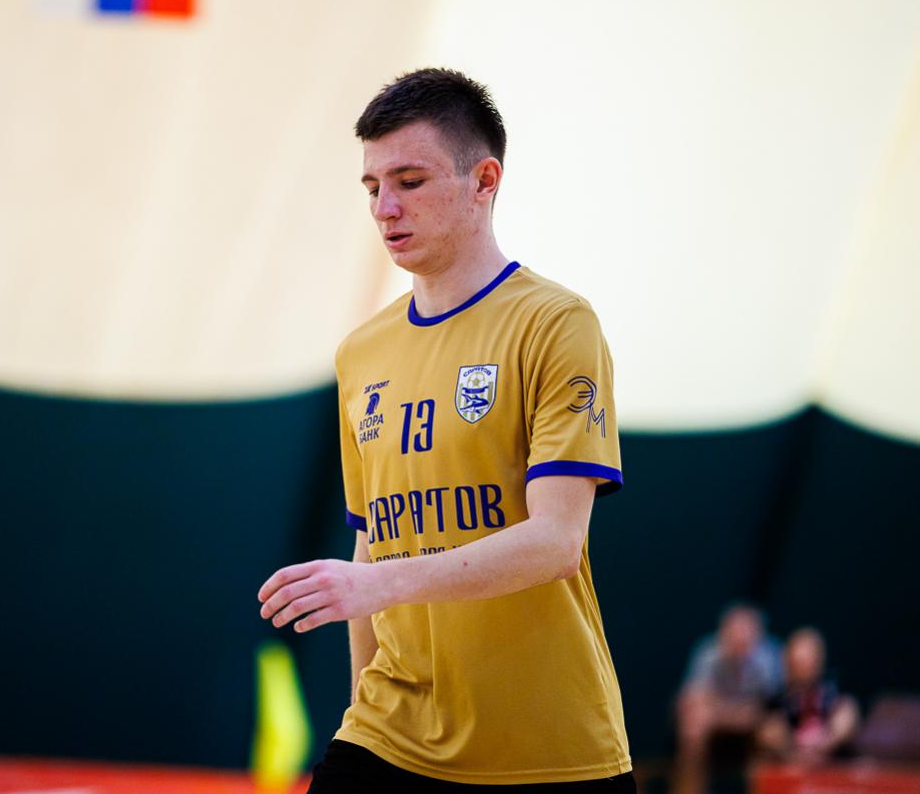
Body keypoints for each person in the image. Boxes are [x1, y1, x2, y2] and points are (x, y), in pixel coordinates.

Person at [257, 68, 633, 792]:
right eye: (372, 187)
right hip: (389, 732)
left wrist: (372, 586)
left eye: (409, 181)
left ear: (483, 180)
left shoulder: (556, 323)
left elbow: (556, 542)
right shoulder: (361, 352)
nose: (385, 207)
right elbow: (372, 539)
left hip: (545, 749)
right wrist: (361, 704)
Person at [673, 603, 782, 794]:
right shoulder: (708, 653)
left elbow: (773, 707)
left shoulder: (769, 657)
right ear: (723, 633)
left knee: (773, 733)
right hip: (718, 723)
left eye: (746, 636)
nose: (740, 641)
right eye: (734, 634)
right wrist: (734, 713)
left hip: (752, 725)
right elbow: (690, 701)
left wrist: (732, 712)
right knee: (692, 728)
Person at [756, 628, 859, 765]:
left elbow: (847, 719)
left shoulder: (835, 691)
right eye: (798, 662)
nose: (803, 668)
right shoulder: (777, 698)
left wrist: (826, 743)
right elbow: (767, 732)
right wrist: (791, 751)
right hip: (791, 762)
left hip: (832, 763)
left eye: (808, 661)